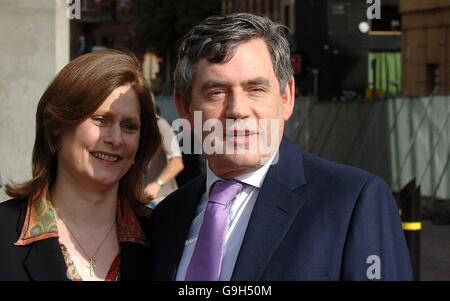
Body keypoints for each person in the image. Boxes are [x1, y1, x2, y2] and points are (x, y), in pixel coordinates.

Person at [147, 13, 413, 281]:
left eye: (256, 89)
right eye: (216, 92)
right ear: (185, 108)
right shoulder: (168, 218)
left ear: (286, 98)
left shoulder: (353, 202)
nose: (238, 110)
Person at [0, 50, 161, 281]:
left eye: (129, 126)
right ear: (57, 125)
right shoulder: (3, 232)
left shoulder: (164, 239)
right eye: (101, 119)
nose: (115, 139)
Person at [143, 109, 184, 208]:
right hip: (136, 200)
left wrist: (157, 184)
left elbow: (177, 162)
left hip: (160, 199)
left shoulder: (160, 124)